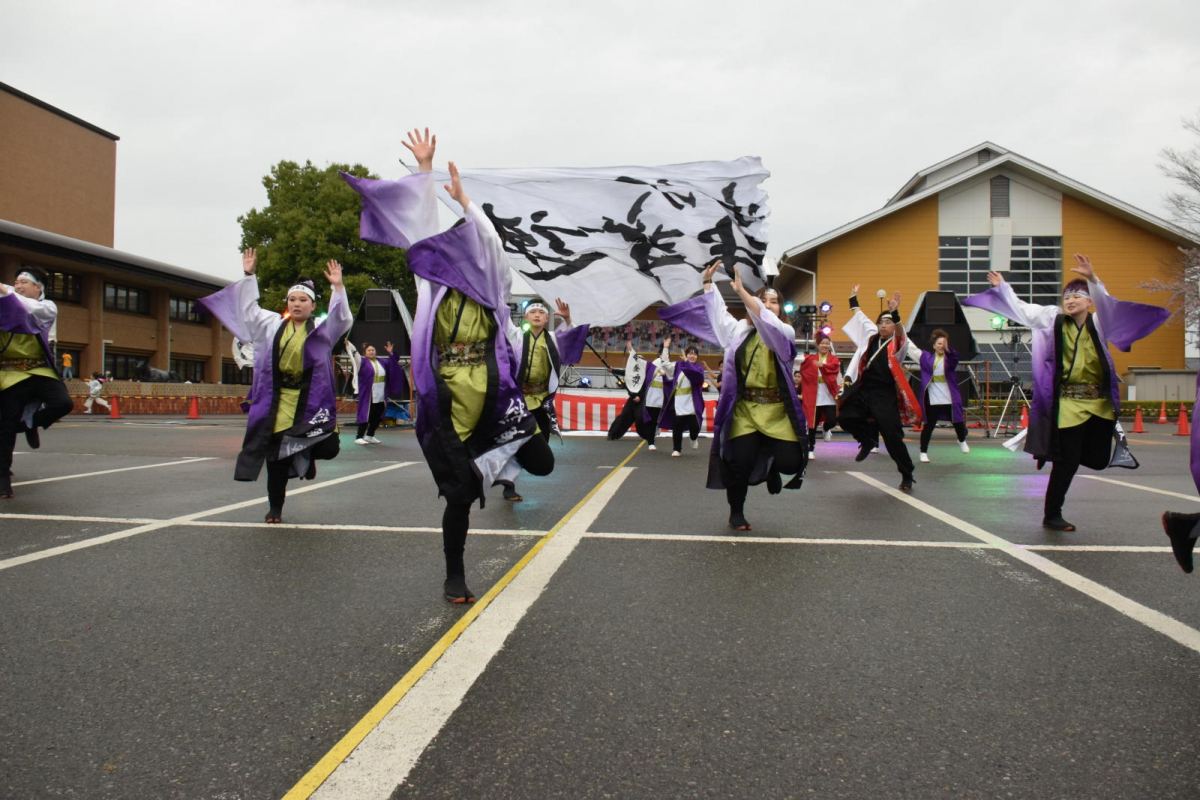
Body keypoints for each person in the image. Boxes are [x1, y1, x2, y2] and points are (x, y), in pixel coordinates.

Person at [342, 127, 554, 603]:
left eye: (466, 250)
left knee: (542, 463)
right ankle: (454, 574)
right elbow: (421, 228)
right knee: (459, 496)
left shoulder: (494, 290)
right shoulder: (430, 290)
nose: (460, 256)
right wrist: (423, 170)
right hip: (450, 396)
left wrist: (466, 203)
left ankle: (502, 455)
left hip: (495, 391)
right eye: (452, 251)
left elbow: (493, 245)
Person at [963, 254, 1169, 531]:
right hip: (1067, 403)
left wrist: (1093, 279)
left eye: (1077, 296)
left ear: (1089, 302)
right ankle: (1052, 514)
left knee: (1096, 458)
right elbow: (1023, 309)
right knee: (1067, 461)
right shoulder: (1052, 319)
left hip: (1098, 403)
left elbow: (1108, 304)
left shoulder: (1099, 323)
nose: (1070, 301)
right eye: (1067, 297)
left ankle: (1059, 487)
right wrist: (1003, 288)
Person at [197, 250, 352, 524]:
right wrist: (249, 275)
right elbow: (248, 311)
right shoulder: (272, 325)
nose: (296, 304)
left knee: (330, 447)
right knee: (276, 459)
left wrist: (337, 286)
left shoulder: (320, 328)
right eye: (292, 299)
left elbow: (342, 319)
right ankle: (275, 507)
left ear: (312, 304)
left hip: (311, 401)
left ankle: (306, 454)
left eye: (303, 300)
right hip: (279, 401)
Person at [659, 260, 807, 531]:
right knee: (738, 463)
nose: (767, 305)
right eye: (764, 300)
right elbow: (717, 314)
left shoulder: (784, 333)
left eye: (773, 302)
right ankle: (736, 512)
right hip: (745, 410)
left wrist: (743, 293)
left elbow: (767, 323)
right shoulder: (739, 330)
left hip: (776, 409)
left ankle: (771, 465)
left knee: (791, 462)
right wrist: (707, 283)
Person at [495, 296, 588, 500]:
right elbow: (502, 320)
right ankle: (508, 481)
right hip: (518, 399)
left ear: (547, 319)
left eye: (542, 313)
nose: (537, 315)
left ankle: (513, 469)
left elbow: (572, 338)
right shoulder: (517, 335)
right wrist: (501, 296)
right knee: (516, 440)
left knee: (540, 443)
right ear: (525, 317)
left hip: (542, 400)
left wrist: (568, 318)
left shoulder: (554, 338)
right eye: (533, 312)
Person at [0, 267, 74, 498]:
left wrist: (6, 290)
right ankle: (2, 479)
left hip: (39, 370)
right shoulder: (7, 303)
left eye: (24, 282)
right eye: (16, 282)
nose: (19, 285)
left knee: (63, 403)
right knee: (5, 429)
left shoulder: (47, 307)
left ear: (38, 287)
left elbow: (25, 311)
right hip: (9, 375)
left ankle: (31, 422)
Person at [839, 286, 922, 491]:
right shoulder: (872, 338)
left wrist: (895, 312)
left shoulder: (899, 344)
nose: (884, 325)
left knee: (892, 436)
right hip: (864, 388)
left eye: (888, 322)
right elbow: (863, 319)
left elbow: (901, 331)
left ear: (894, 326)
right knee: (844, 417)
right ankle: (867, 440)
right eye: (882, 322)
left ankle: (907, 472)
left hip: (884, 393)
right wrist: (853, 301)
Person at [915, 329, 970, 463]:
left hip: (949, 395)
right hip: (933, 396)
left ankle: (961, 440)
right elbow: (912, 348)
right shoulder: (926, 357)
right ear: (934, 345)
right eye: (939, 343)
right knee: (929, 426)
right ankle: (923, 452)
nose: (941, 346)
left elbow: (954, 358)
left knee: (958, 423)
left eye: (944, 343)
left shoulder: (950, 358)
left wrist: (948, 349)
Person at [346, 340, 406, 445]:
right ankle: (359, 437)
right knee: (366, 414)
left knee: (379, 414)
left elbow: (393, 363)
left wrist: (391, 353)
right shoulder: (362, 362)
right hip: (368, 393)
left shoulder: (382, 361)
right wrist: (349, 345)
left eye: (373, 350)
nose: (371, 352)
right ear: (365, 353)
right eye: (369, 350)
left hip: (381, 392)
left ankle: (370, 435)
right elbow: (355, 355)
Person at [797, 333, 841, 459]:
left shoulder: (833, 359)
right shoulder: (810, 358)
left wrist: (823, 366)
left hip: (828, 394)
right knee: (812, 423)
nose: (825, 345)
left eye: (827, 343)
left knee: (832, 420)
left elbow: (834, 367)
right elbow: (797, 360)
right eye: (822, 343)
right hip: (814, 394)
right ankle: (811, 448)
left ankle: (827, 428)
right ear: (817, 345)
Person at [658, 345, 706, 457]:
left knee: (695, 426)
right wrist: (665, 348)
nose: (692, 356)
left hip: (692, 402)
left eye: (695, 354)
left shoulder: (698, 368)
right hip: (679, 401)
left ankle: (693, 438)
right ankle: (677, 449)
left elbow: (697, 377)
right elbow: (665, 364)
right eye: (690, 353)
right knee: (677, 426)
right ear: (686, 354)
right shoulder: (678, 365)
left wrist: (686, 362)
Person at [637, 337, 672, 451]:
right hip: (651, 399)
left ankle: (654, 435)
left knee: (657, 421)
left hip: (662, 400)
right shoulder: (652, 365)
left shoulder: (669, 367)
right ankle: (651, 442)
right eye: (664, 353)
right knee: (651, 422)